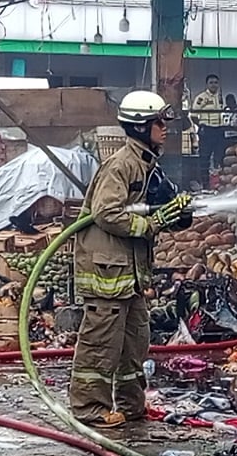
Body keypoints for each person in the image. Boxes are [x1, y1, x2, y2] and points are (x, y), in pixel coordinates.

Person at [70, 90, 193, 428]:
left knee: (134, 345)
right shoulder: (121, 165)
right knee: (100, 346)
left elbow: (148, 206)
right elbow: (107, 212)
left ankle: (131, 405)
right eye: (159, 122)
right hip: (107, 273)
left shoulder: (145, 163)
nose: (165, 127)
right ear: (140, 127)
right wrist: (150, 224)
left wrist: (173, 212)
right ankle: (89, 410)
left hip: (130, 276)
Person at [190, 74, 231, 171]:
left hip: (219, 129)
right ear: (206, 85)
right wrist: (201, 125)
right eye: (211, 83)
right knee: (205, 157)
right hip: (207, 130)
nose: (214, 85)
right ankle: (205, 182)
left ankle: (217, 181)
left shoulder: (220, 97)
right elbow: (193, 115)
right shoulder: (201, 98)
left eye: (216, 83)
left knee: (220, 155)